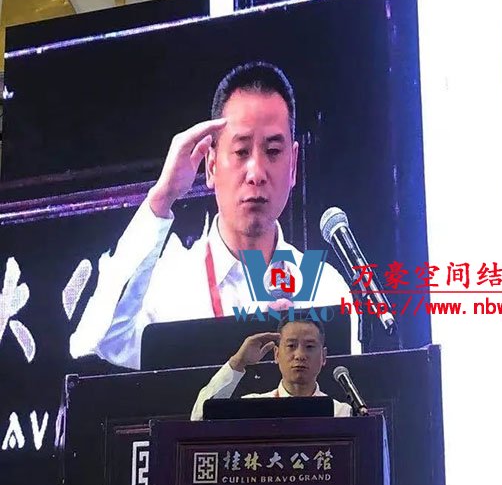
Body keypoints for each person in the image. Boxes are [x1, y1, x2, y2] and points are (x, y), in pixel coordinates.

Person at [69, 61, 353, 369]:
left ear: (293, 164)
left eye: (272, 152)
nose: (256, 173)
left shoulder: (324, 289)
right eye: (241, 151)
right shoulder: (169, 284)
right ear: (211, 165)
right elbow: (100, 340)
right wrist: (162, 197)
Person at [190, 319, 351, 420]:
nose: (300, 355)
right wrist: (238, 362)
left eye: (309, 347)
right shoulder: (251, 407)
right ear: (276, 354)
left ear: (323, 356)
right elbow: (200, 419)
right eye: (291, 346)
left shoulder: (341, 413)